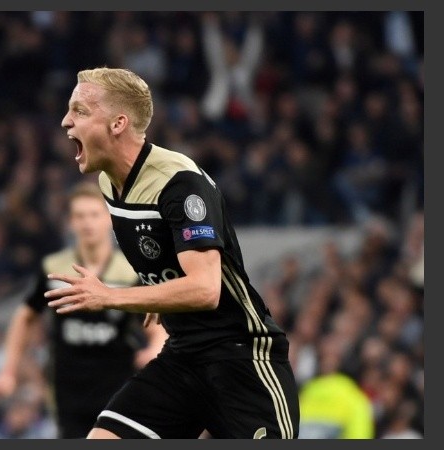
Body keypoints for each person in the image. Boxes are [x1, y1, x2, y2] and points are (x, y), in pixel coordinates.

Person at [45, 67, 299, 439]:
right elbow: (164, 257)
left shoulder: (179, 183)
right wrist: (158, 294)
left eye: (80, 111)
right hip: (183, 357)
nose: (66, 121)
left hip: (241, 357)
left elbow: (205, 290)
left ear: (118, 123)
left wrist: (112, 296)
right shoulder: (107, 182)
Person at [0, 182, 168, 438]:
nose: (87, 223)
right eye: (80, 216)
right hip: (67, 389)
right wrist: (9, 371)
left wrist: (154, 347)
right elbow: (25, 315)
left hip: (119, 386)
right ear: (71, 223)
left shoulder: (129, 271)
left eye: (94, 215)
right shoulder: (55, 268)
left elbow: (156, 319)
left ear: (108, 219)